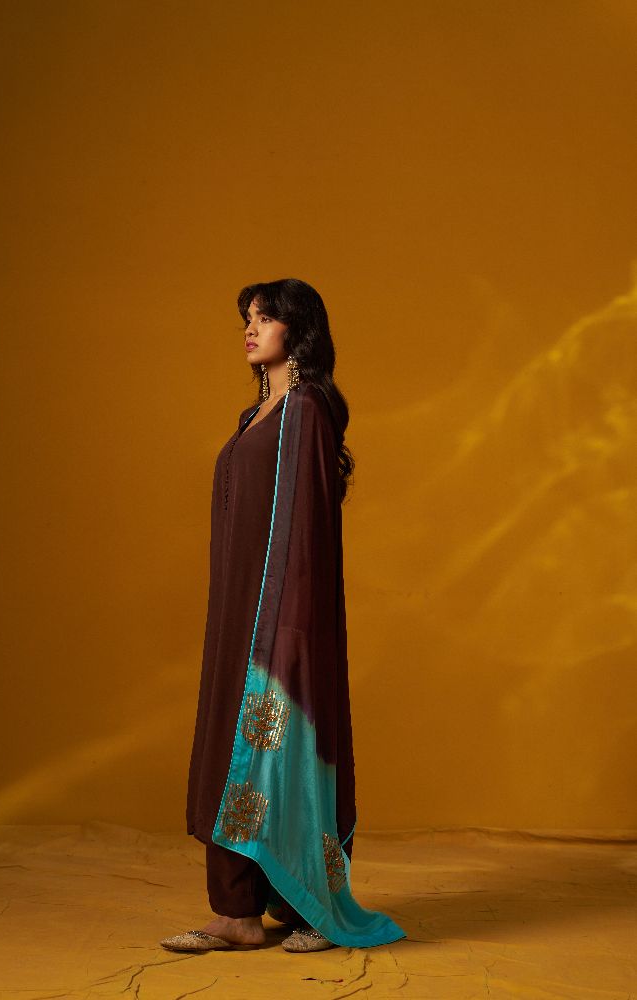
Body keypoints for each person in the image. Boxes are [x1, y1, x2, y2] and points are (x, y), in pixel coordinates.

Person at [161, 278, 405, 954]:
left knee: (282, 750)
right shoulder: (255, 416)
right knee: (228, 748)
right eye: (248, 317)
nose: (251, 327)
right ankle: (237, 913)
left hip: (284, 613)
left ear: (297, 330)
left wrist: (288, 623)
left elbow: (305, 528)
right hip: (239, 611)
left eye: (265, 317)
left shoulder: (306, 409)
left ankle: (309, 909)